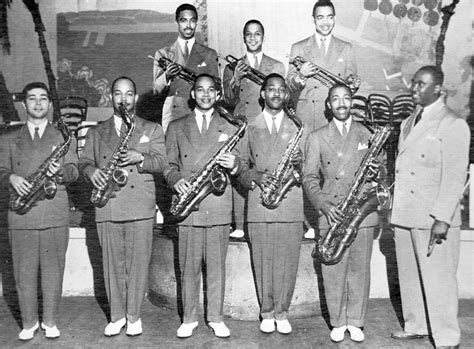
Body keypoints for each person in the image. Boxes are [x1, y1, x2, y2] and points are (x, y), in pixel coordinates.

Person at [78, 76, 168, 337]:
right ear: (111, 97)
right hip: (108, 204)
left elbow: (163, 163)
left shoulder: (151, 128)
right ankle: (117, 316)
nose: (124, 99)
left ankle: (134, 315)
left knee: (138, 263)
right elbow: (83, 162)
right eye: (118, 94)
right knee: (111, 264)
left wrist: (141, 157)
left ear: (136, 98)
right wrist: (91, 171)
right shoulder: (96, 131)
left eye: (129, 94)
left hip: (139, 204)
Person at [390, 66, 469, 349]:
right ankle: (417, 325)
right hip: (406, 213)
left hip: (433, 216)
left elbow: (455, 176)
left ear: (438, 89)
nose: (414, 89)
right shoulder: (408, 122)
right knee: (409, 276)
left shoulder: (452, 124)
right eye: (413, 83)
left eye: (421, 84)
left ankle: (447, 337)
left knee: (439, 280)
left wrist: (443, 218)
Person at [164, 74, 244, 339]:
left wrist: (236, 164)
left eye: (211, 90)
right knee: (188, 267)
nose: (206, 95)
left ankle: (216, 318)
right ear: (193, 94)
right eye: (200, 90)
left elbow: (243, 165)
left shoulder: (230, 127)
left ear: (218, 95)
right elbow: (168, 166)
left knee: (216, 267)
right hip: (188, 204)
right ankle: (189, 318)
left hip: (218, 204)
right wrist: (176, 181)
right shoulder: (176, 126)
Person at [0, 82, 78, 340]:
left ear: (50, 104)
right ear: (24, 104)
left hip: (54, 212)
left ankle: (51, 321)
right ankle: (29, 323)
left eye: (43, 98)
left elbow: (75, 171)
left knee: (53, 270)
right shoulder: (8, 139)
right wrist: (10, 178)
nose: (38, 103)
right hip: (22, 213)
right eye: (32, 99)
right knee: (23, 272)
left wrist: (61, 172)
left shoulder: (64, 137)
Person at [302, 83, 380, 343]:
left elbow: (381, 171)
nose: (342, 103)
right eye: (335, 99)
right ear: (328, 105)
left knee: (360, 269)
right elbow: (309, 178)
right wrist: (323, 204)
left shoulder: (367, 133)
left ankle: (356, 321)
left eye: (346, 98)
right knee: (333, 269)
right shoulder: (316, 136)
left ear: (352, 102)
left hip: (361, 211)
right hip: (332, 211)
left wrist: (376, 176)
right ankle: (337, 321)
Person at [238, 73, 304, 335]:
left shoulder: (298, 126)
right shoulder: (249, 125)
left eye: (281, 90)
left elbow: (311, 169)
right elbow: (240, 167)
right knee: (263, 260)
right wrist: (255, 176)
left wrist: (301, 161)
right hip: (259, 200)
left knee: (288, 260)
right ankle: (267, 311)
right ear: (262, 94)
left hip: (290, 202)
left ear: (286, 95)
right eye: (271, 89)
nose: (276, 94)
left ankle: (282, 311)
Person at [287, 0, 358, 240]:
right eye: (320, 17)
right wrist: (300, 77)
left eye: (329, 17)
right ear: (313, 19)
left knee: (333, 169)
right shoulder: (299, 47)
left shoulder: (346, 48)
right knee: (307, 169)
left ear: (335, 18)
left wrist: (354, 84)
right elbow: (289, 87)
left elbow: (350, 86)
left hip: (333, 120)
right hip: (308, 118)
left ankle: (331, 220)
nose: (325, 22)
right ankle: (308, 222)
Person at [223, 19, 286, 239]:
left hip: (267, 124)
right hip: (241, 127)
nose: (253, 38)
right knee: (240, 171)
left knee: (268, 169)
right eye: (248, 35)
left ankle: (270, 216)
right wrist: (235, 80)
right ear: (243, 38)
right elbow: (228, 101)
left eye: (257, 34)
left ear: (263, 37)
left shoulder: (277, 66)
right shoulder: (232, 67)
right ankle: (240, 225)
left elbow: (280, 98)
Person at [153, 3, 219, 132]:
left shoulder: (210, 54)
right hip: (173, 112)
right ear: (177, 22)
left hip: (200, 110)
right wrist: (166, 76)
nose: (188, 25)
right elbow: (156, 90)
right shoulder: (163, 53)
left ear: (196, 23)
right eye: (184, 20)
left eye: (192, 20)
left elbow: (216, 88)